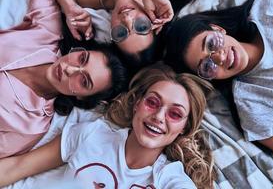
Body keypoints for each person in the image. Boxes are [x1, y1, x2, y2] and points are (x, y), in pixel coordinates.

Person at [0, 63, 215, 189]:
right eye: (152, 102)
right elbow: (18, 167)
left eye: (175, 114)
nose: (159, 116)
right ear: (136, 105)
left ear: (184, 129)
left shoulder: (171, 180)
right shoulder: (92, 133)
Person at [164, 0, 273, 175]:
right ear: (208, 78)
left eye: (211, 44)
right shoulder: (252, 105)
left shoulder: (270, 5)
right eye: (207, 65)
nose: (219, 57)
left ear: (218, 29)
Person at [0, 0, 127, 158]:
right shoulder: (48, 34)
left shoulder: (32, 125)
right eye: (82, 58)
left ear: (82, 97)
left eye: (84, 81)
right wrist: (69, 6)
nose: (69, 69)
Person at [46, 0, 201, 68]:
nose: (126, 18)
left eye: (121, 33)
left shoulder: (82, 1)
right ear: (156, 22)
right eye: (141, 26)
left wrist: (67, 5)